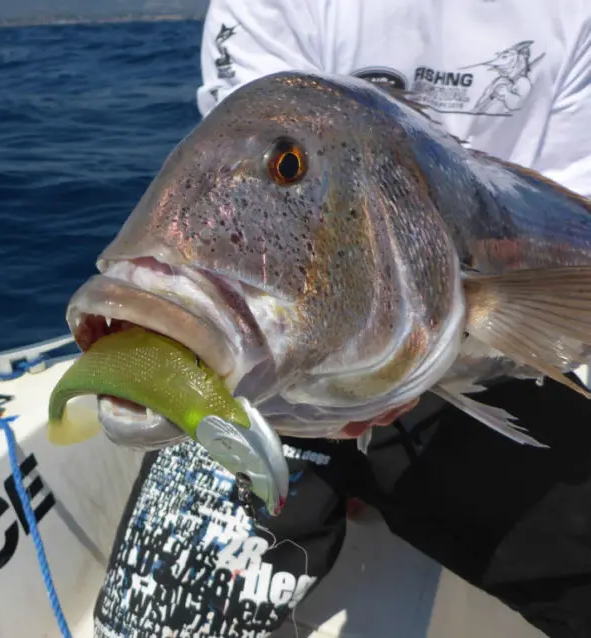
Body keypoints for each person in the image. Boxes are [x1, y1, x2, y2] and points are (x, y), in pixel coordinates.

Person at [92, 1, 591, 637]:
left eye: (287, 167)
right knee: (153, 625)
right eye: (288, 167)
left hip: (480, 355)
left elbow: (572, 208)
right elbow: (252, 148)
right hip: (252, 387)